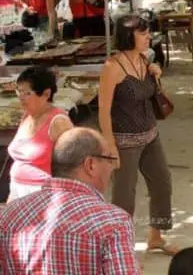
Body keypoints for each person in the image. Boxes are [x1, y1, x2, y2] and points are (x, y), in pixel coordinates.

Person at [0, 127, 140, 274]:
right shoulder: (114, 223)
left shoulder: (9, 215)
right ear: (90, 165)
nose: (112, 168)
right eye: (109, 160)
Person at [98, 14, 178, 254]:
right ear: (128, 36)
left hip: (150, 134)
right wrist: (110, 145)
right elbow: (103, 109)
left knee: (162, 183)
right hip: (125, 141)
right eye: (143, 33)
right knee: (125, 197)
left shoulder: (144, 60)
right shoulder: (112, 67)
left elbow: (153, 95)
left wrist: (156, 74)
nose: (148, 37)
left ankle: (156, 235)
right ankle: (120, 249)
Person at [6, 66, 73, 200]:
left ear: (46, 94)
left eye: (27, 93)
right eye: (19, 92)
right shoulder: (27, 116)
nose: (21, 98)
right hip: (17, 191)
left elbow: (73, 163)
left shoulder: (58, 121)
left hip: (43, 194)